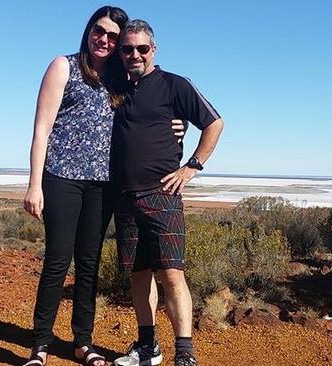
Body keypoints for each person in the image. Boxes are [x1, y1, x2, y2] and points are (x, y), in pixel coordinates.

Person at [22, 7, 184, 366]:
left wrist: (177, 126)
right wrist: (35, 184)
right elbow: (41, 129)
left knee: (89, 263)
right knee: (57, 260)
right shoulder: (64, 66)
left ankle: (83, 342)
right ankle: (41, 345)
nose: (105, 40)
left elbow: (148, 115)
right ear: (89, 30)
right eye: (100, 31)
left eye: (114, 37)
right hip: (61, 177)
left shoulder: (121, 79)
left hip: (104, 184)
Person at [111, 20, 224, 366]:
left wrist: (192, 167)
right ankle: (148, 346)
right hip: (124, 196)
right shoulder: (113, 87)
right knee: (139, 274)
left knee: (172, 273)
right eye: (128, 49)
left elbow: (214, 122)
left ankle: (185, 354)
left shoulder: (174, 85)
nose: (135, 55)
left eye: (142, 49)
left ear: (153, 50)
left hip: (162, 193)